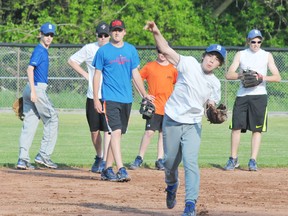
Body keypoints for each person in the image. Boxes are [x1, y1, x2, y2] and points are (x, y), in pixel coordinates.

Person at [144, 21, 226, 216]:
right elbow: (165, 48)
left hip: (193, 125)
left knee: (190, 162)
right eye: (210, 55)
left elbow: (210, 104)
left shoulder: (215, 83)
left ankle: (190, 204)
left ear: (219, 65)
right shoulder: (188, 63)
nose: (212, 60)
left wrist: (212, 109)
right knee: (170, 163)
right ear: (204, 56)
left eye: (217, 59)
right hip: (172, 119)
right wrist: (156, 31)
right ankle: (171, 186)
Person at [92, 19, 154, 182]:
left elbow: (135, 74)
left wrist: (144, 94)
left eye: (119, 30)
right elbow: (97, 75)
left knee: (117, 135)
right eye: (114, 30)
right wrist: (96, 99)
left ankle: (106, 169)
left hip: (126, 99)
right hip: (110, 98)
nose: (116, 32)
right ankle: (121, 169)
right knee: (116, 132)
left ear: (124, 32)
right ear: (111, 32)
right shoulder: (103, 51)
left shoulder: (130, 50)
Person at [224, 29, 281, 171]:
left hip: (259, 96)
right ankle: (233, 159)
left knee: (257, 129)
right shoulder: (241, 54)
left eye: (258, 41)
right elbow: (228, 74)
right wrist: (241, 75)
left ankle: (253, 160)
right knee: (236, 127)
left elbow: (277, 77)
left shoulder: (267, 55)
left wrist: (261, 78)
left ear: (261, 41)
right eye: (253, 41)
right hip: (242, 95)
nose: (256, 44)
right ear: (248, 41)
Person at [68, 21, 111, 173]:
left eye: (106, 35)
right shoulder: (90, 48)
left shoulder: (114, 49)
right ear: (96, 35)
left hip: (110, 96)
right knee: (94, 131)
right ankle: (99, 156)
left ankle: (106, 160)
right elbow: (71, 60)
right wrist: (85, 74)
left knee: (108, 130)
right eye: (101, 35)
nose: (103, 38)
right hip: (93, 96)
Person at [16, 22, 59, 170]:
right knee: (52, 119)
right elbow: (29, 69)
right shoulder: (40, 50)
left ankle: (23, 159)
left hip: (30, 89)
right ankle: (43, 155)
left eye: (51, 35)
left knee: (30, 123)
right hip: (36, 89)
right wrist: (34, 91)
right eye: (46, 34)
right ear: (40, 34)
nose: (48, 37)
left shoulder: (41, 50)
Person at [129, 47, 178, 171]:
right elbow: (136, 78)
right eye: (160, 52)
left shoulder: (173, 69)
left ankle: (160, 160)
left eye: (164, 52)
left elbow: (179, 84)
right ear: (157, 52)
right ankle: (139, 158)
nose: (162, 54)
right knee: (149, 132)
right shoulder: (150, 66)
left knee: (163, 134)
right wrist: (144, 94)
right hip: (154, 106)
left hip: (168, 107)